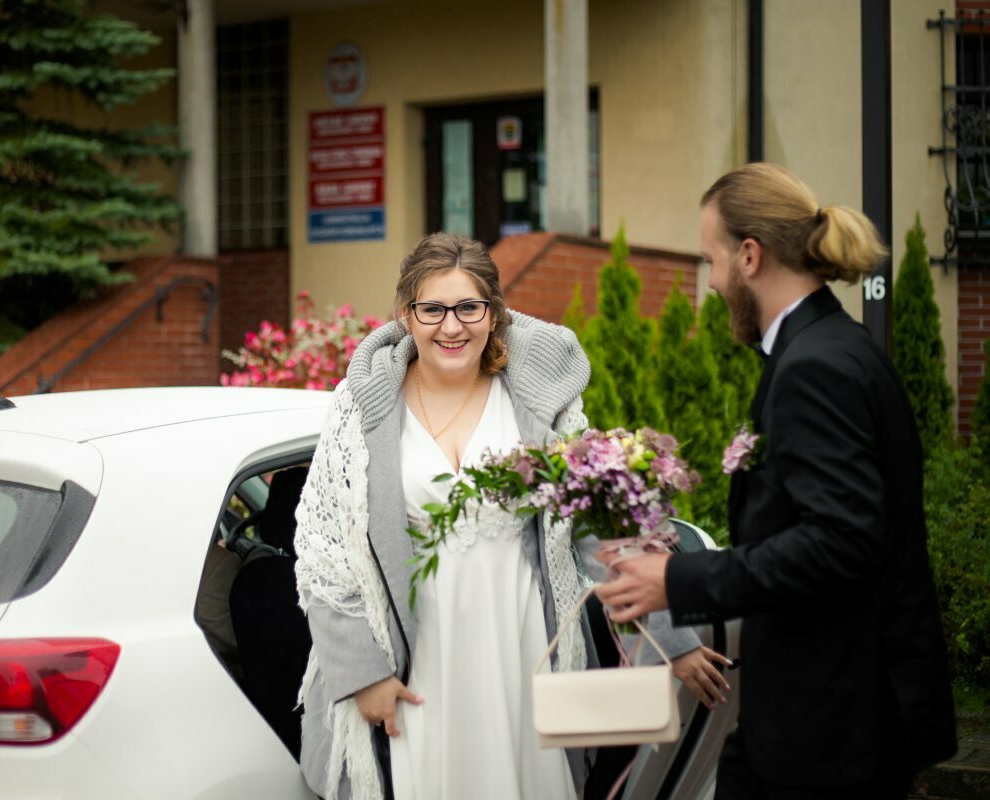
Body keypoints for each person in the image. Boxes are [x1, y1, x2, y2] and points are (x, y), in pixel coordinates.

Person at [293, 232, 730, 800]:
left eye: (469, 308)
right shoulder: (362, 406)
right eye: (433, 309)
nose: (452, 327)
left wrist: (673, 638)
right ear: (406, 315)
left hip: (522, 642)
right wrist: (363, 674)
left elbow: (596, 523)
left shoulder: (538, 399)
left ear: (494, 314)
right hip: (417, 660)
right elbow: (324, 554)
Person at [594, 163, 958, 799]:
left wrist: (677, 579)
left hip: (832, 721)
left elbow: (842, 540)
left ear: (750, 256)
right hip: (810, 710)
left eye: (712, 261)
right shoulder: (830, 346)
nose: (711, 284)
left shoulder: (814, 367)